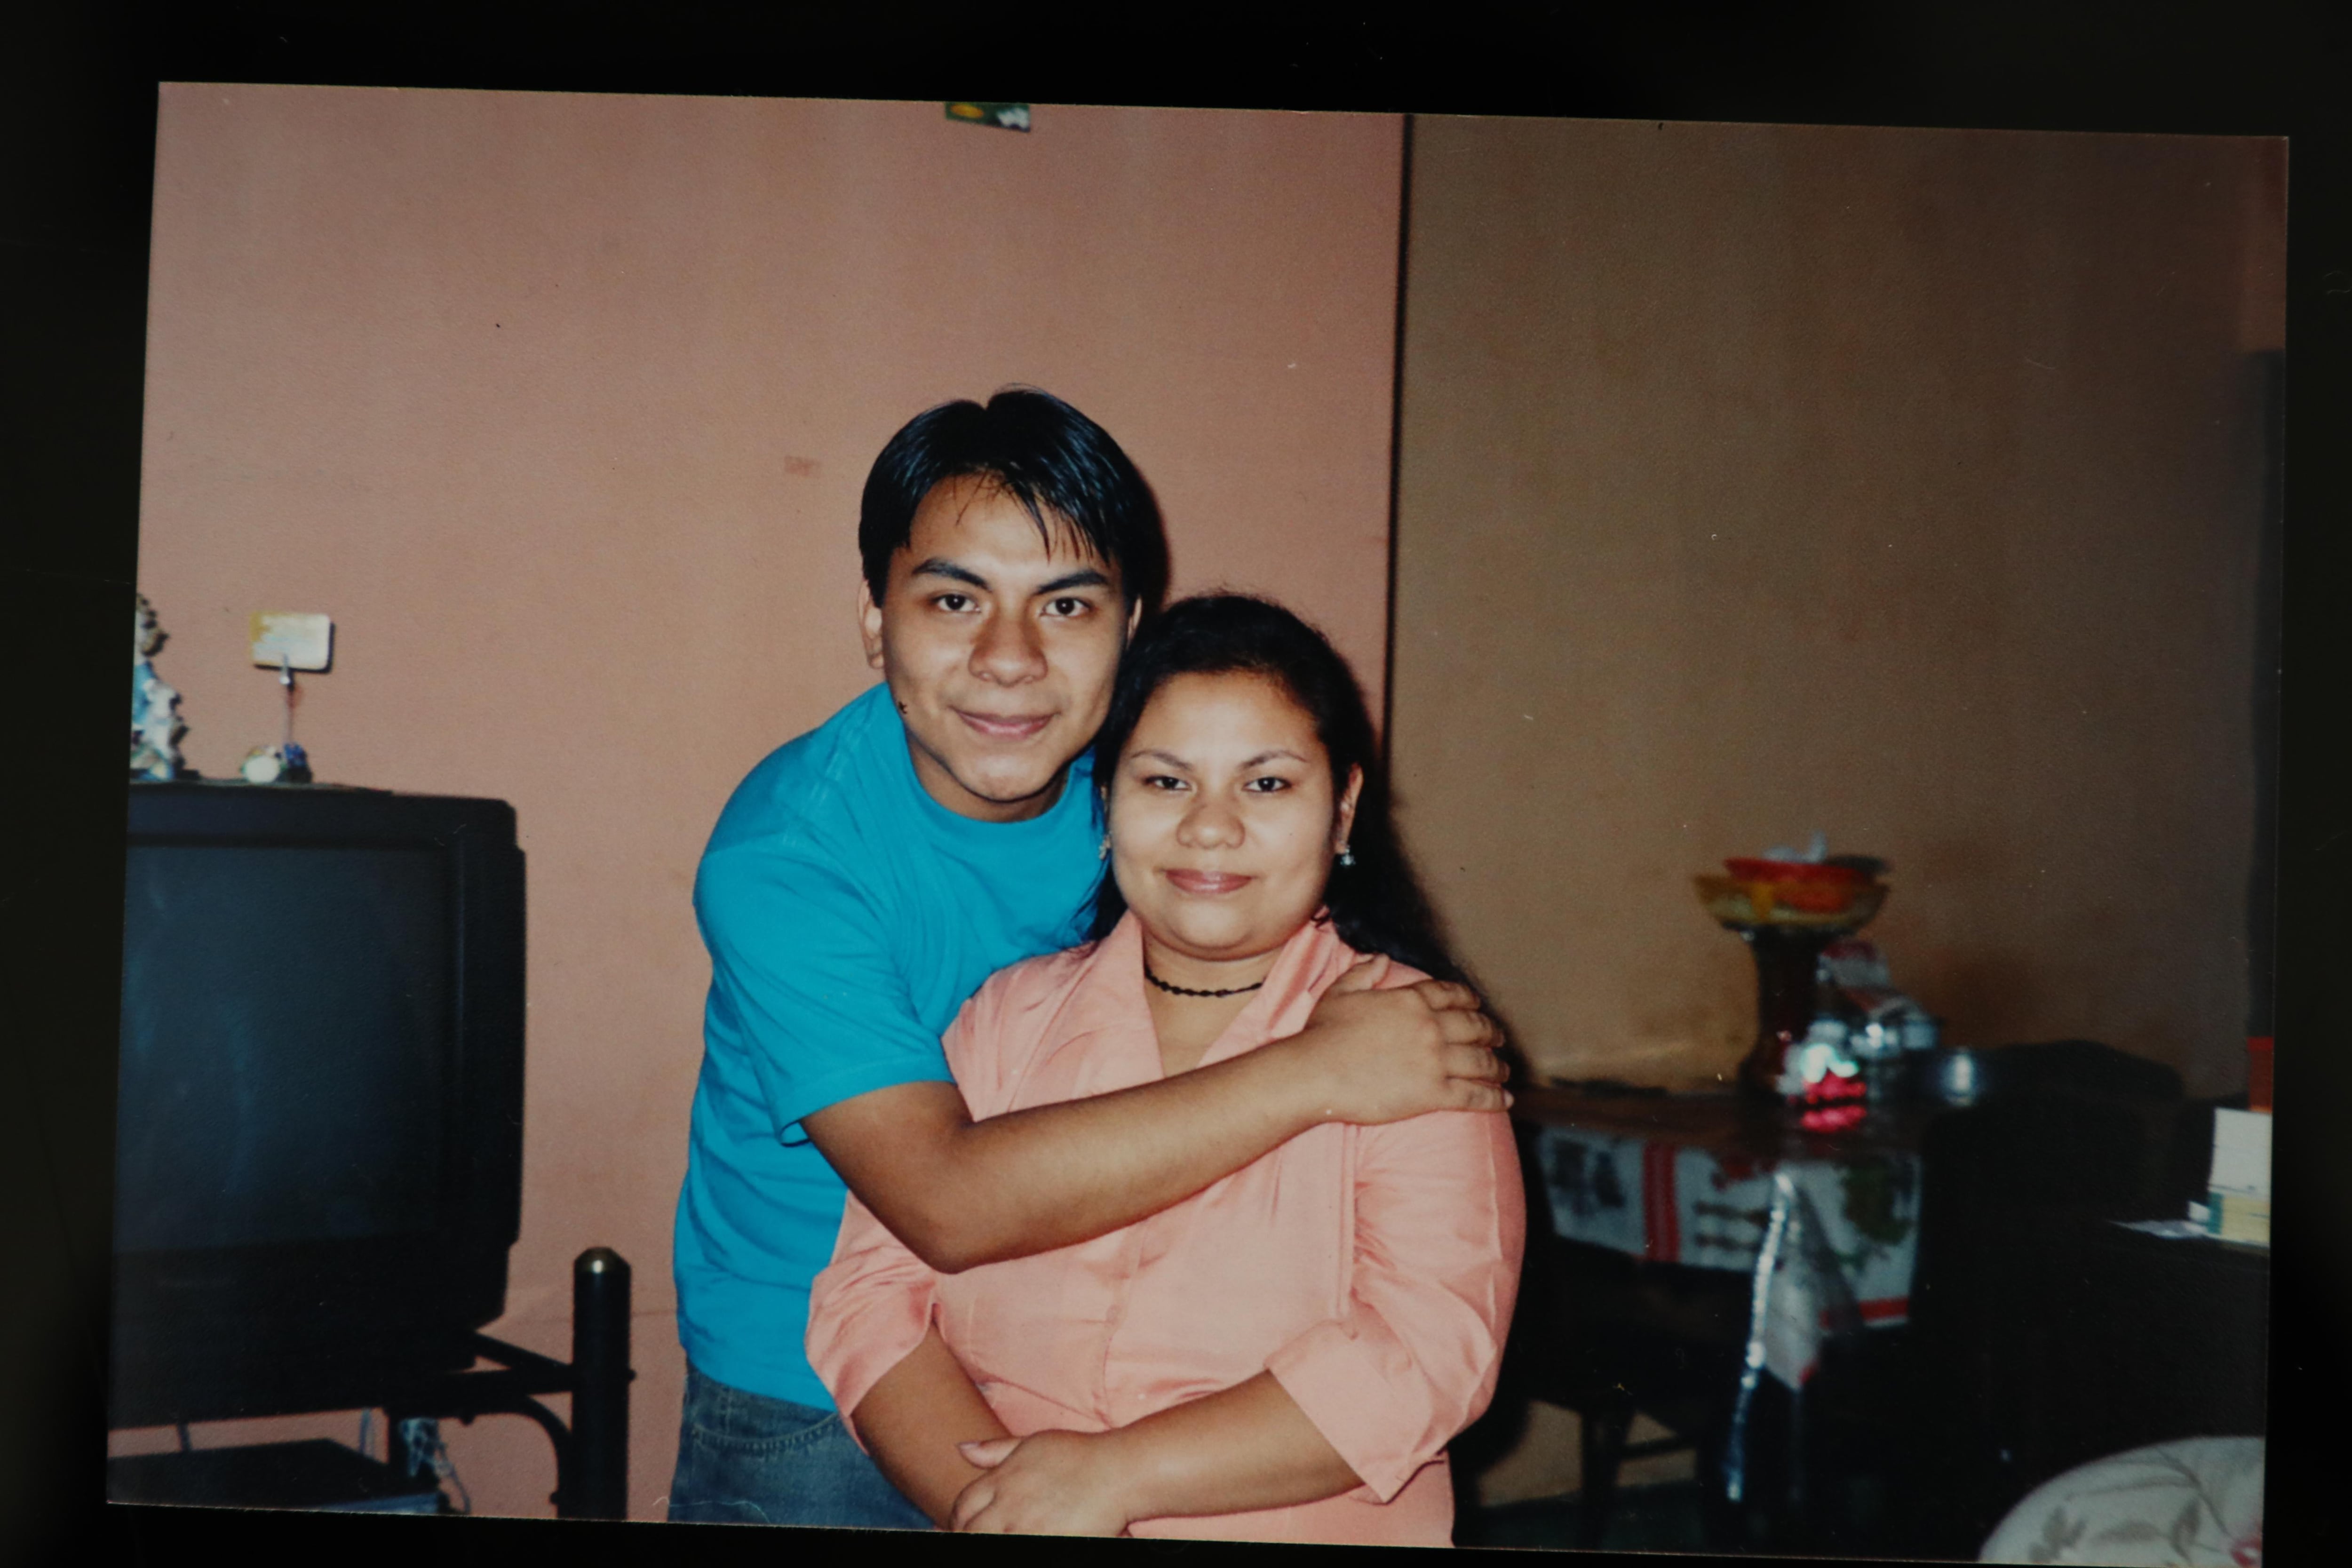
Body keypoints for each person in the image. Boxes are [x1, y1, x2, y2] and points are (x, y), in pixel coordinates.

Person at [668, 390, 1510, 1528]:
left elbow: (1425, 1333)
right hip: (816, 1378)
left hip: (1128, 1418)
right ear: (875, 620)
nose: (1009, 660)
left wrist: (1102, 1481)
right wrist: (1318, 1071)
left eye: (1064, 604)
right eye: (954, 599)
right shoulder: (787, 856)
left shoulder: (1149, 774)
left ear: (1129, 628)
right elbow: (942, 1204)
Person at [806, 594, 1526, 1544]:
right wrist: (1007, 1512)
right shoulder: (1008, 1016)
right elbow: (869, 1301)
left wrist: (1110, 1479)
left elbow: (1428, 1352)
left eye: (1266, 783)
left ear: (1343, 807)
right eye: (1165, 780)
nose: (1210, 828)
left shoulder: (1413, 1035)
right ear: (1107, 803)